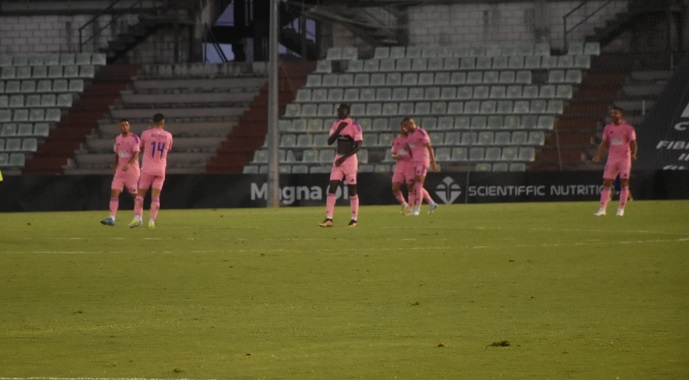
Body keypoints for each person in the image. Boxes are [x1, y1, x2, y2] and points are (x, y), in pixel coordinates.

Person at [319, 103, 363, 228]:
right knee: (332, 187)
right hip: (338, 159)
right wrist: (338, 130)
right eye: (338, 110)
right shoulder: (336, 124)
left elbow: (358, 146)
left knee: (352, 189)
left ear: (347, 111)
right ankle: (329, 219)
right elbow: (329, 141)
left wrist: (344, 157)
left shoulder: (355, 126)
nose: (338, 112)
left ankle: (354, 219)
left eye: (340, 110)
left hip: (349, 160)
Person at [129, 113, 173, 229]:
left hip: (147, 169)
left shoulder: (146, 134)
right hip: (161, 169)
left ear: (153, 122)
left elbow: (140, 148)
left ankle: (138, 218)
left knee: (140, 195)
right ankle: (152, 220)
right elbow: (168, 149)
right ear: (162, 122)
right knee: (156, 197)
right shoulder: (168, 135)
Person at [593, 106, 637, 216]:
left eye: (615, 113)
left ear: (621, 115)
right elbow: (604, 143)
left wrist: (633, 153)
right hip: (612, 159)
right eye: (612, 113)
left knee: (624, 183)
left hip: (624, 159)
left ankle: (621, 209)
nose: (613, 115)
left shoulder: (628, 128)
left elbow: (632, 142)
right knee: (606, 182)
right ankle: (602, 209)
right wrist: (598, 155)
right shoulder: (608, 128)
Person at [391, 122, 438, 215]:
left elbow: (429, 147)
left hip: (419, 163)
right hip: (412, 164)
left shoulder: (420, 132)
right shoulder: (407, 138)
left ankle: (414, 209)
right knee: (415, 186)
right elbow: (401, 151)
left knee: (415, 186)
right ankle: (431, 203)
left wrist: (433, 162)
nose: (403, 129)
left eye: (405, 126)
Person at [101, 119, 140, 226]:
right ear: (119, 127)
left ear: (129, 126)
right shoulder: (117, 138)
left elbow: (137, 153)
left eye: (126, 125)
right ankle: (111, 218)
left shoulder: (134, 138)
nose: (124, 127)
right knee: (114, 192)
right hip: (120, 171)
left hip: (132, 171)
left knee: (135, 195)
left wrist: (129, 164)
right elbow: (117, 154)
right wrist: (115, 167)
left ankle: (138, 217)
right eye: (122, 125)